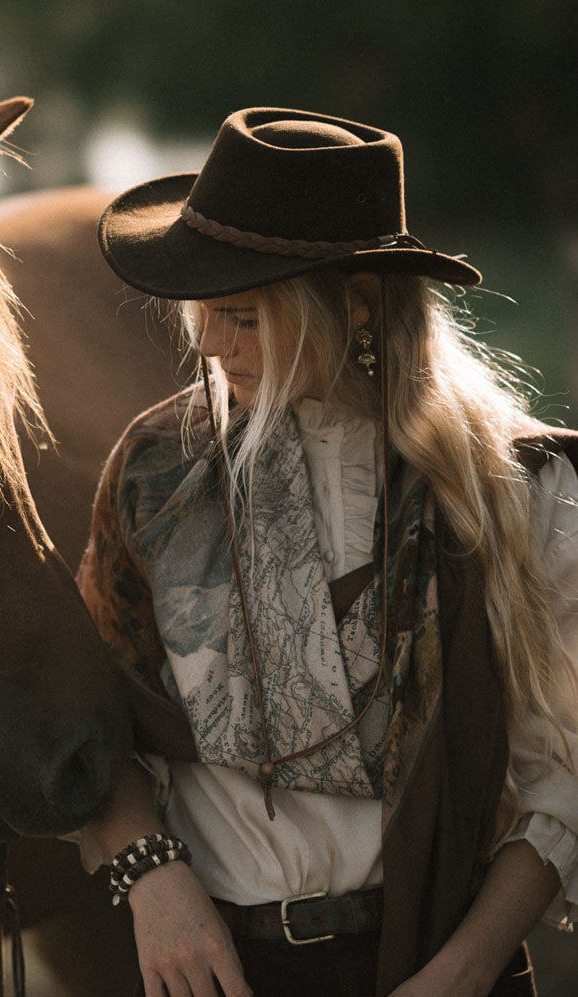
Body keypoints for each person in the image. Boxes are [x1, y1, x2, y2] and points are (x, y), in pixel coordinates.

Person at [74, 109, 578, 996]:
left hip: (436, 960)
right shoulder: (156, 472)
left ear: (355, 306)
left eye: (242, 316)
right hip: (215, 964)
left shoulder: (515, 490)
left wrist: (460, 973)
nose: (210, 345)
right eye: (203, 314)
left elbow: (563, 780)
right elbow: (92, 715)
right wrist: (150, 877)